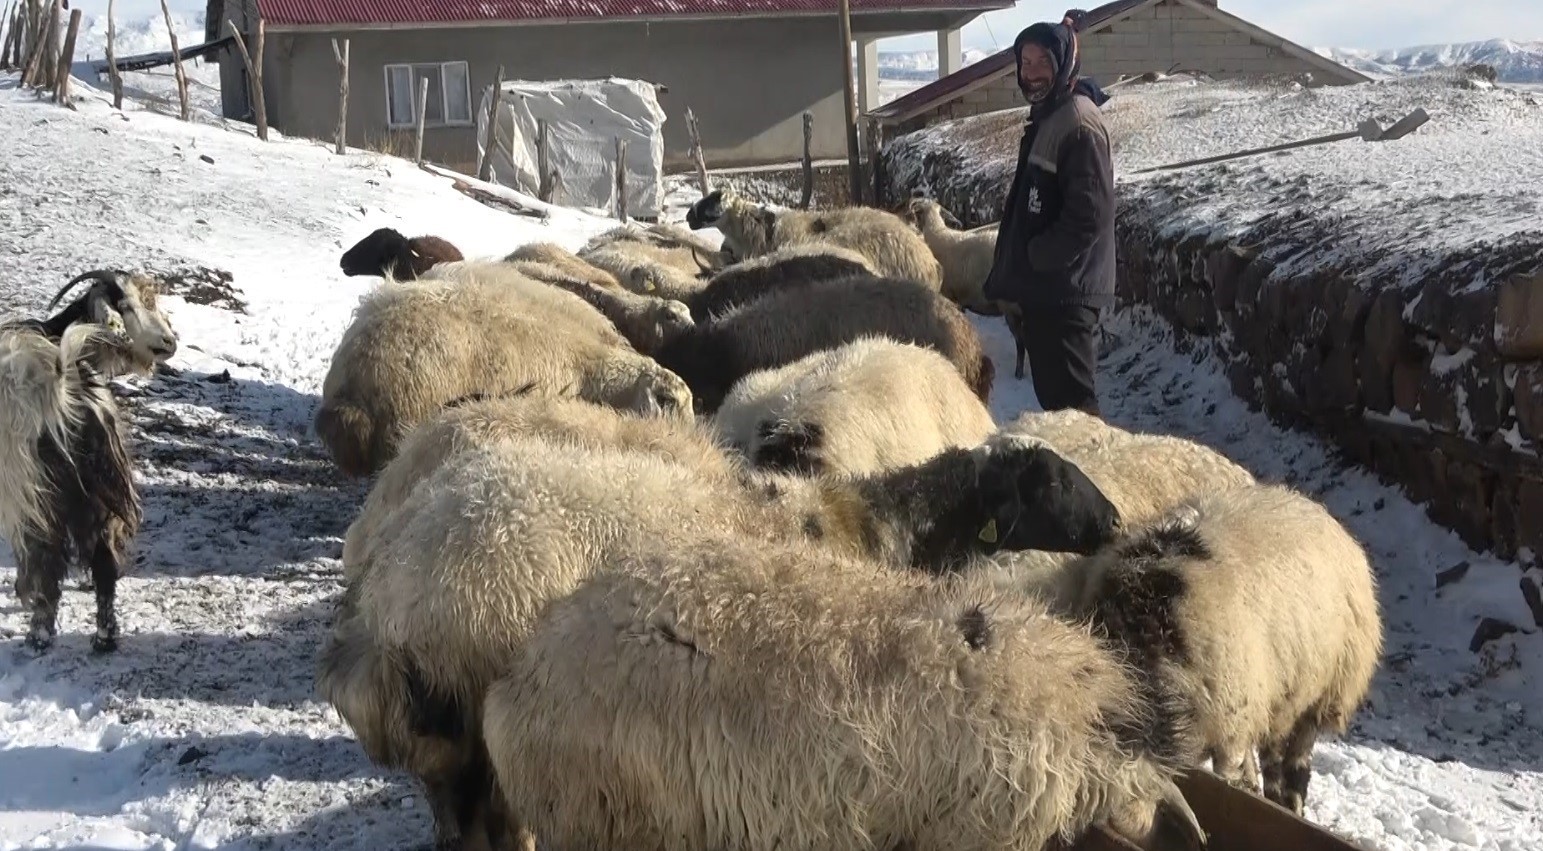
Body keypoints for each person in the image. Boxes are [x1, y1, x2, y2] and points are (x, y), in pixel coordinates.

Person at [982, 14, 1115, 417]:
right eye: (1026, 63)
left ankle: (1096, 476)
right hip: (1050, 290)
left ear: (1063, 65)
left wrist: (1040, 256)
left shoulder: (1077, 122)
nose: (1032, 72)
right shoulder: (1052, 116)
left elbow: (1089, 213)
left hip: (1066, 291)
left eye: (1042, 62)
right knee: (1059, 406)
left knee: (1074, 410)